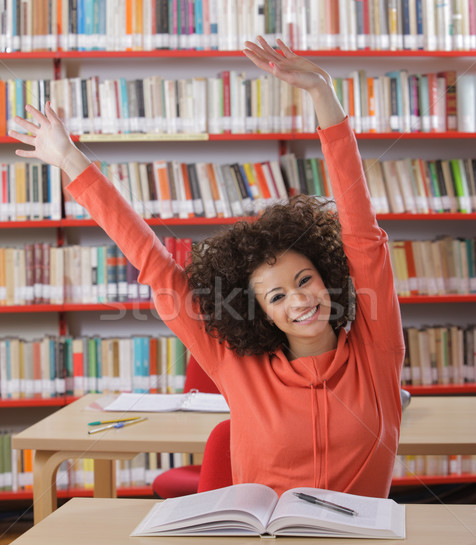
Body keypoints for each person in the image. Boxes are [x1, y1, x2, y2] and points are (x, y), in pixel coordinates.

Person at [10, 37, 404, 498]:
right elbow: (155, 265)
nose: (299, 300)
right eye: (276, 296)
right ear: (258, 311)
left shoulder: (376, 352)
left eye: (305, 280)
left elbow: (363, 235)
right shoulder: (237, 365)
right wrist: (70, 161)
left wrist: (323, 96)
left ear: (328, 280)